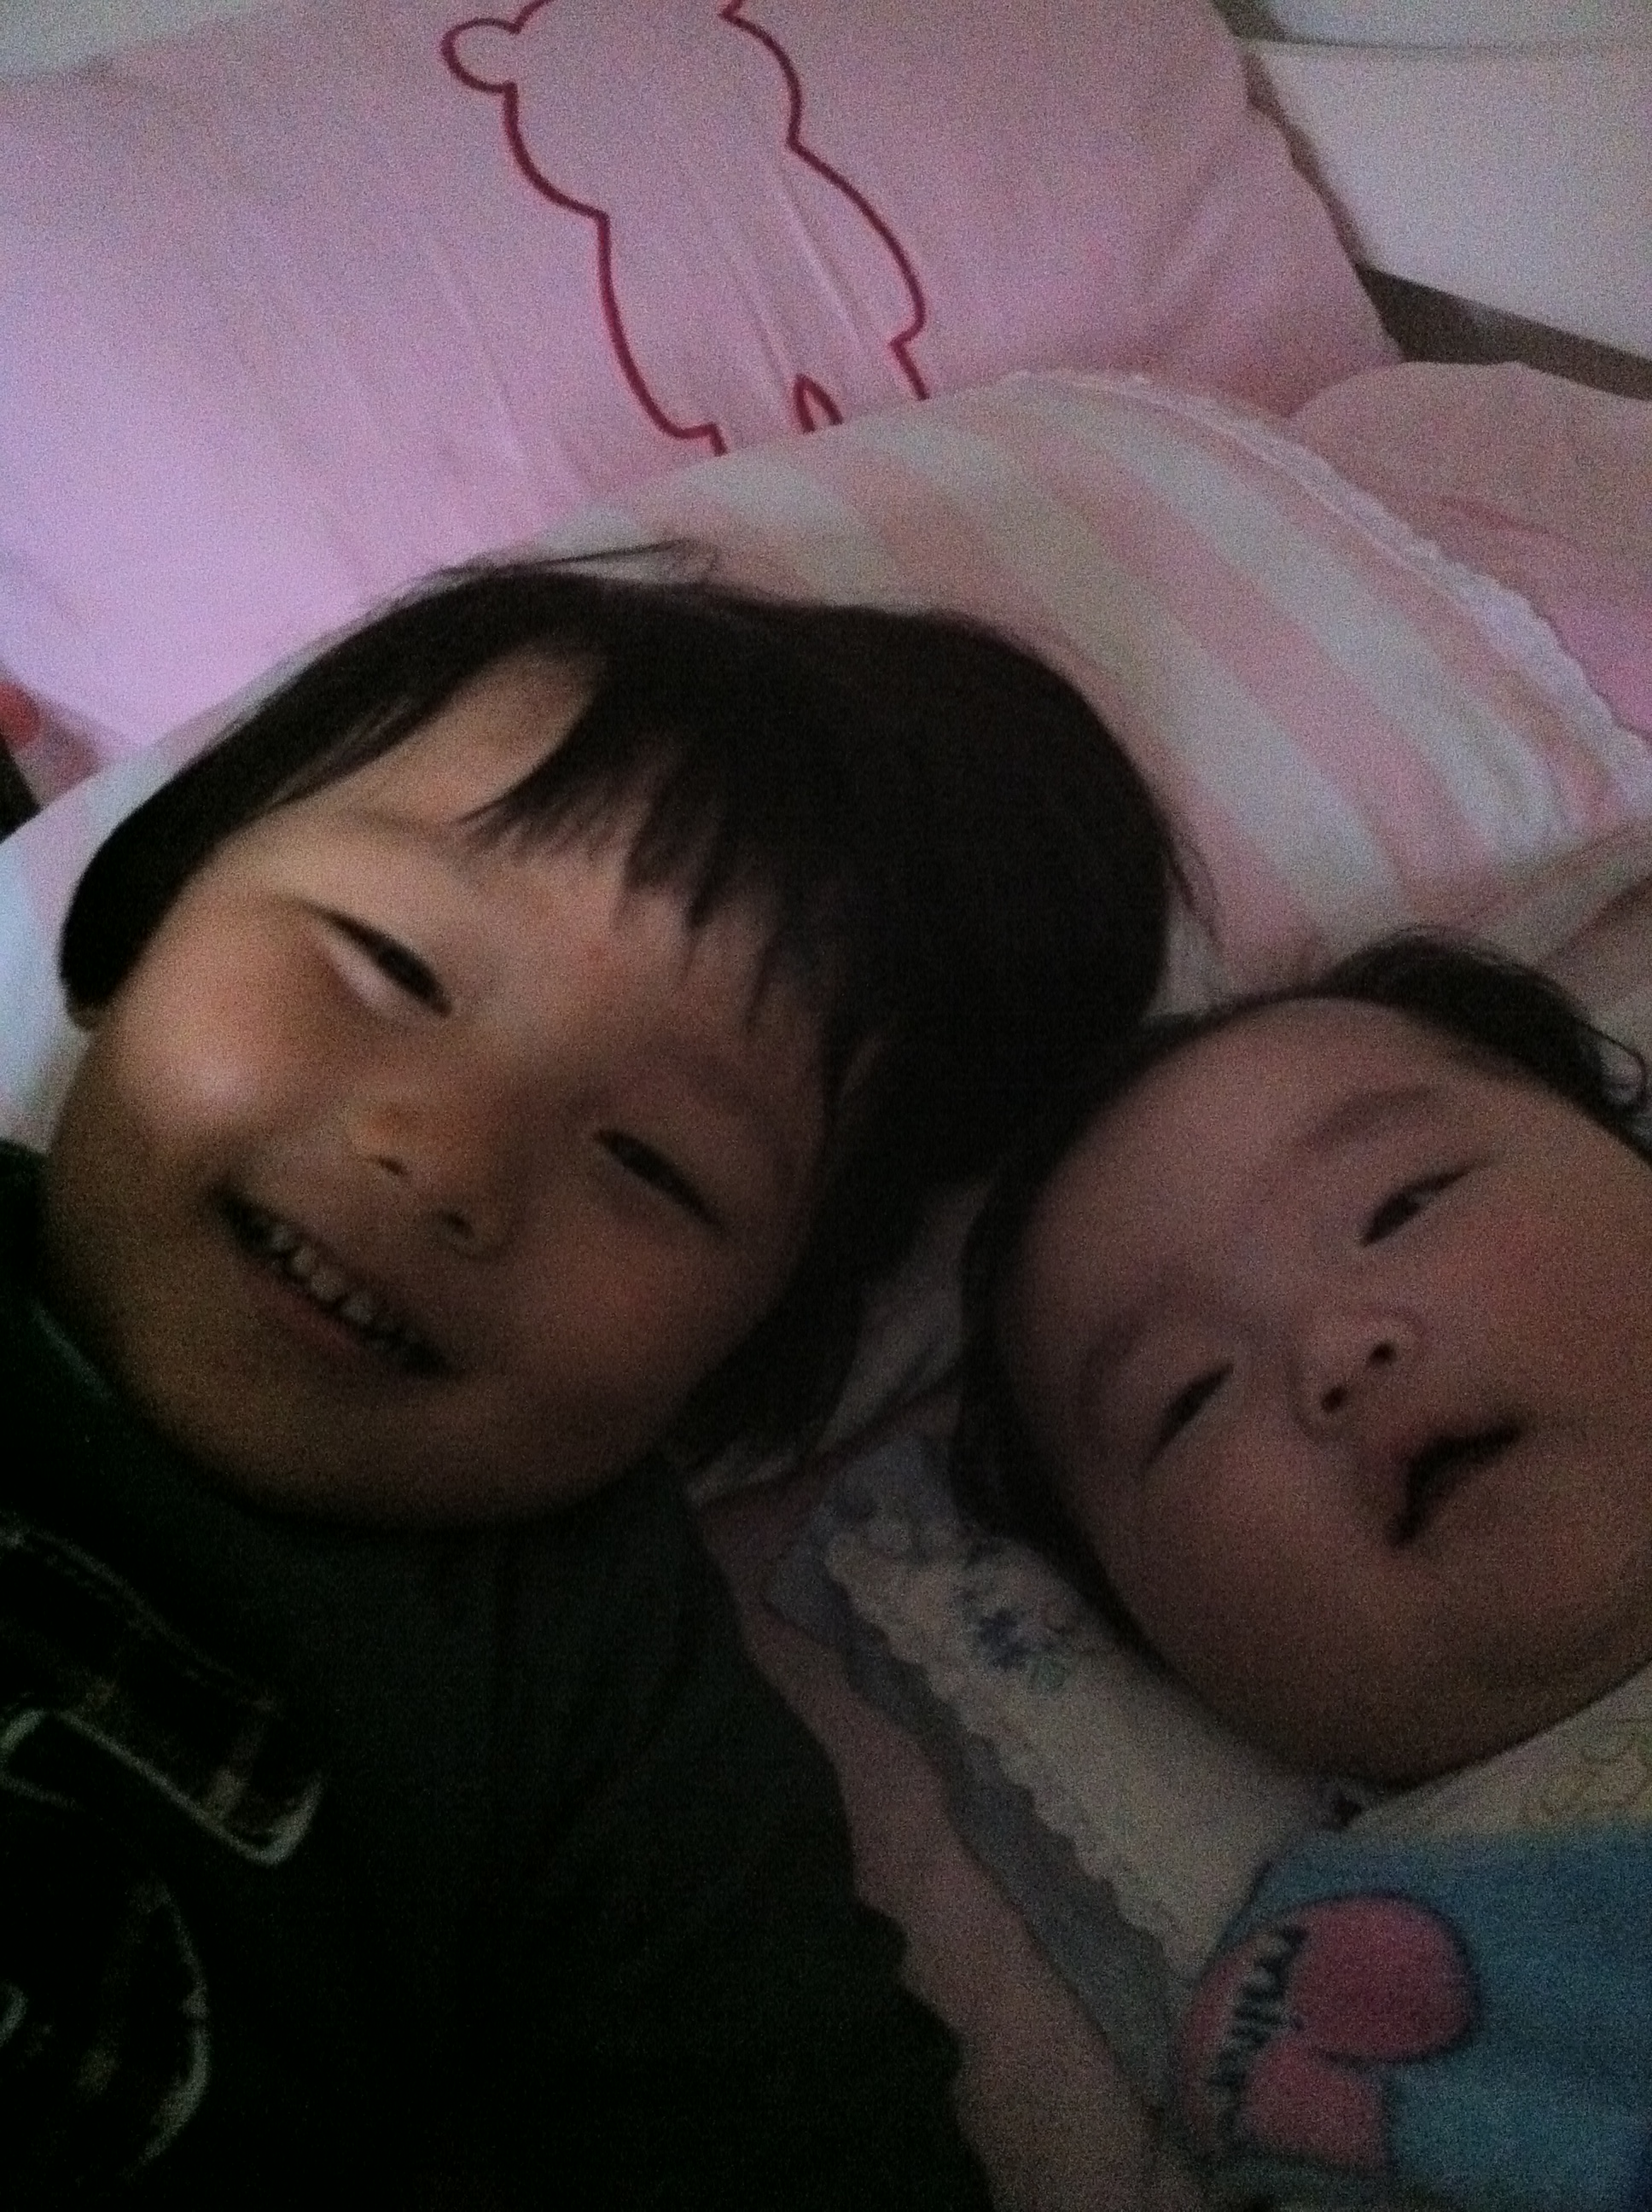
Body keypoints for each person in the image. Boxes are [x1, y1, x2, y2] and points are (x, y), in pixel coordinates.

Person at [3, 555, 1176, 2204]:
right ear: (152, 903)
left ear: (745, 1350)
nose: (447, 1160)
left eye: (651, 1162)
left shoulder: (596, 1702)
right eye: (392, 965)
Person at [953, 934, 1652, 2211]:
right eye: (1187, 1397)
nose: (1336, 1352)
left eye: (1404, 1207)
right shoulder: (1344, 2015)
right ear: (1157, 1646)